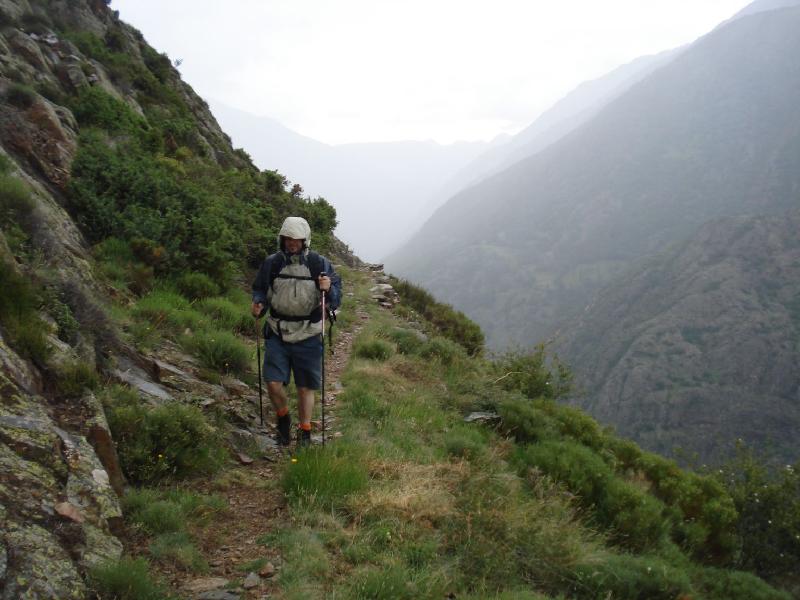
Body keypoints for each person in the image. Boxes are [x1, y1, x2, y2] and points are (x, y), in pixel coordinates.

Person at [251, 216, 341, 447]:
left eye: (296, 239)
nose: (292, 243)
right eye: (288, 238)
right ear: (281, 239)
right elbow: (260, 288)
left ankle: (305, 432)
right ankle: (283, 418)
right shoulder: (272, 263)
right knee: (272, 382)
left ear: (305, 240)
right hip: (277, 330)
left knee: (304, 387)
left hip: (308, 333)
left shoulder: (320, 265)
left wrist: (328, 289)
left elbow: (336, 299)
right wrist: (259, 302)